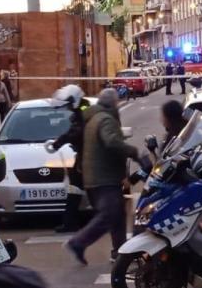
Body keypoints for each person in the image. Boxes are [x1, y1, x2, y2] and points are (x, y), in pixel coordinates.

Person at [65, 89, 141, 265]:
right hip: (104, 177)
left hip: (96, 175)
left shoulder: (94, 118)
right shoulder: (105, 119)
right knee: (109, 214)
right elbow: (112, 142)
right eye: (116, 102)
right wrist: (134, 152)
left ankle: (120, 252)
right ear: (112, 103)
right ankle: (78, 242)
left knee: (117, 216)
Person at [46, 84, 89, 233]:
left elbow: (76, 132)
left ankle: (72, 222)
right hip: (84, 156)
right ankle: (71, 222)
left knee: (91, 190)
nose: (68, 108)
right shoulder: (82, 109)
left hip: (87, 157)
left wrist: (58, 143)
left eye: (69, 104)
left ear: (75, 100)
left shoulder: (84, 111)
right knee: (76, 188)